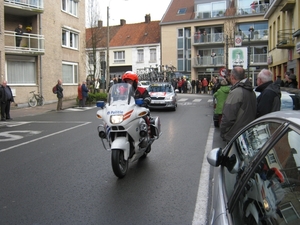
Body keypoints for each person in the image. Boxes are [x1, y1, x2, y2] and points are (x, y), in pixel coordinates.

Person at [220, 67, 257, 142]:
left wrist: (223, 131)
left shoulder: (236, 92)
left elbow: (228, 117)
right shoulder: (251, 91)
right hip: (248, 132)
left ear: (232, 77)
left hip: (236, 134)